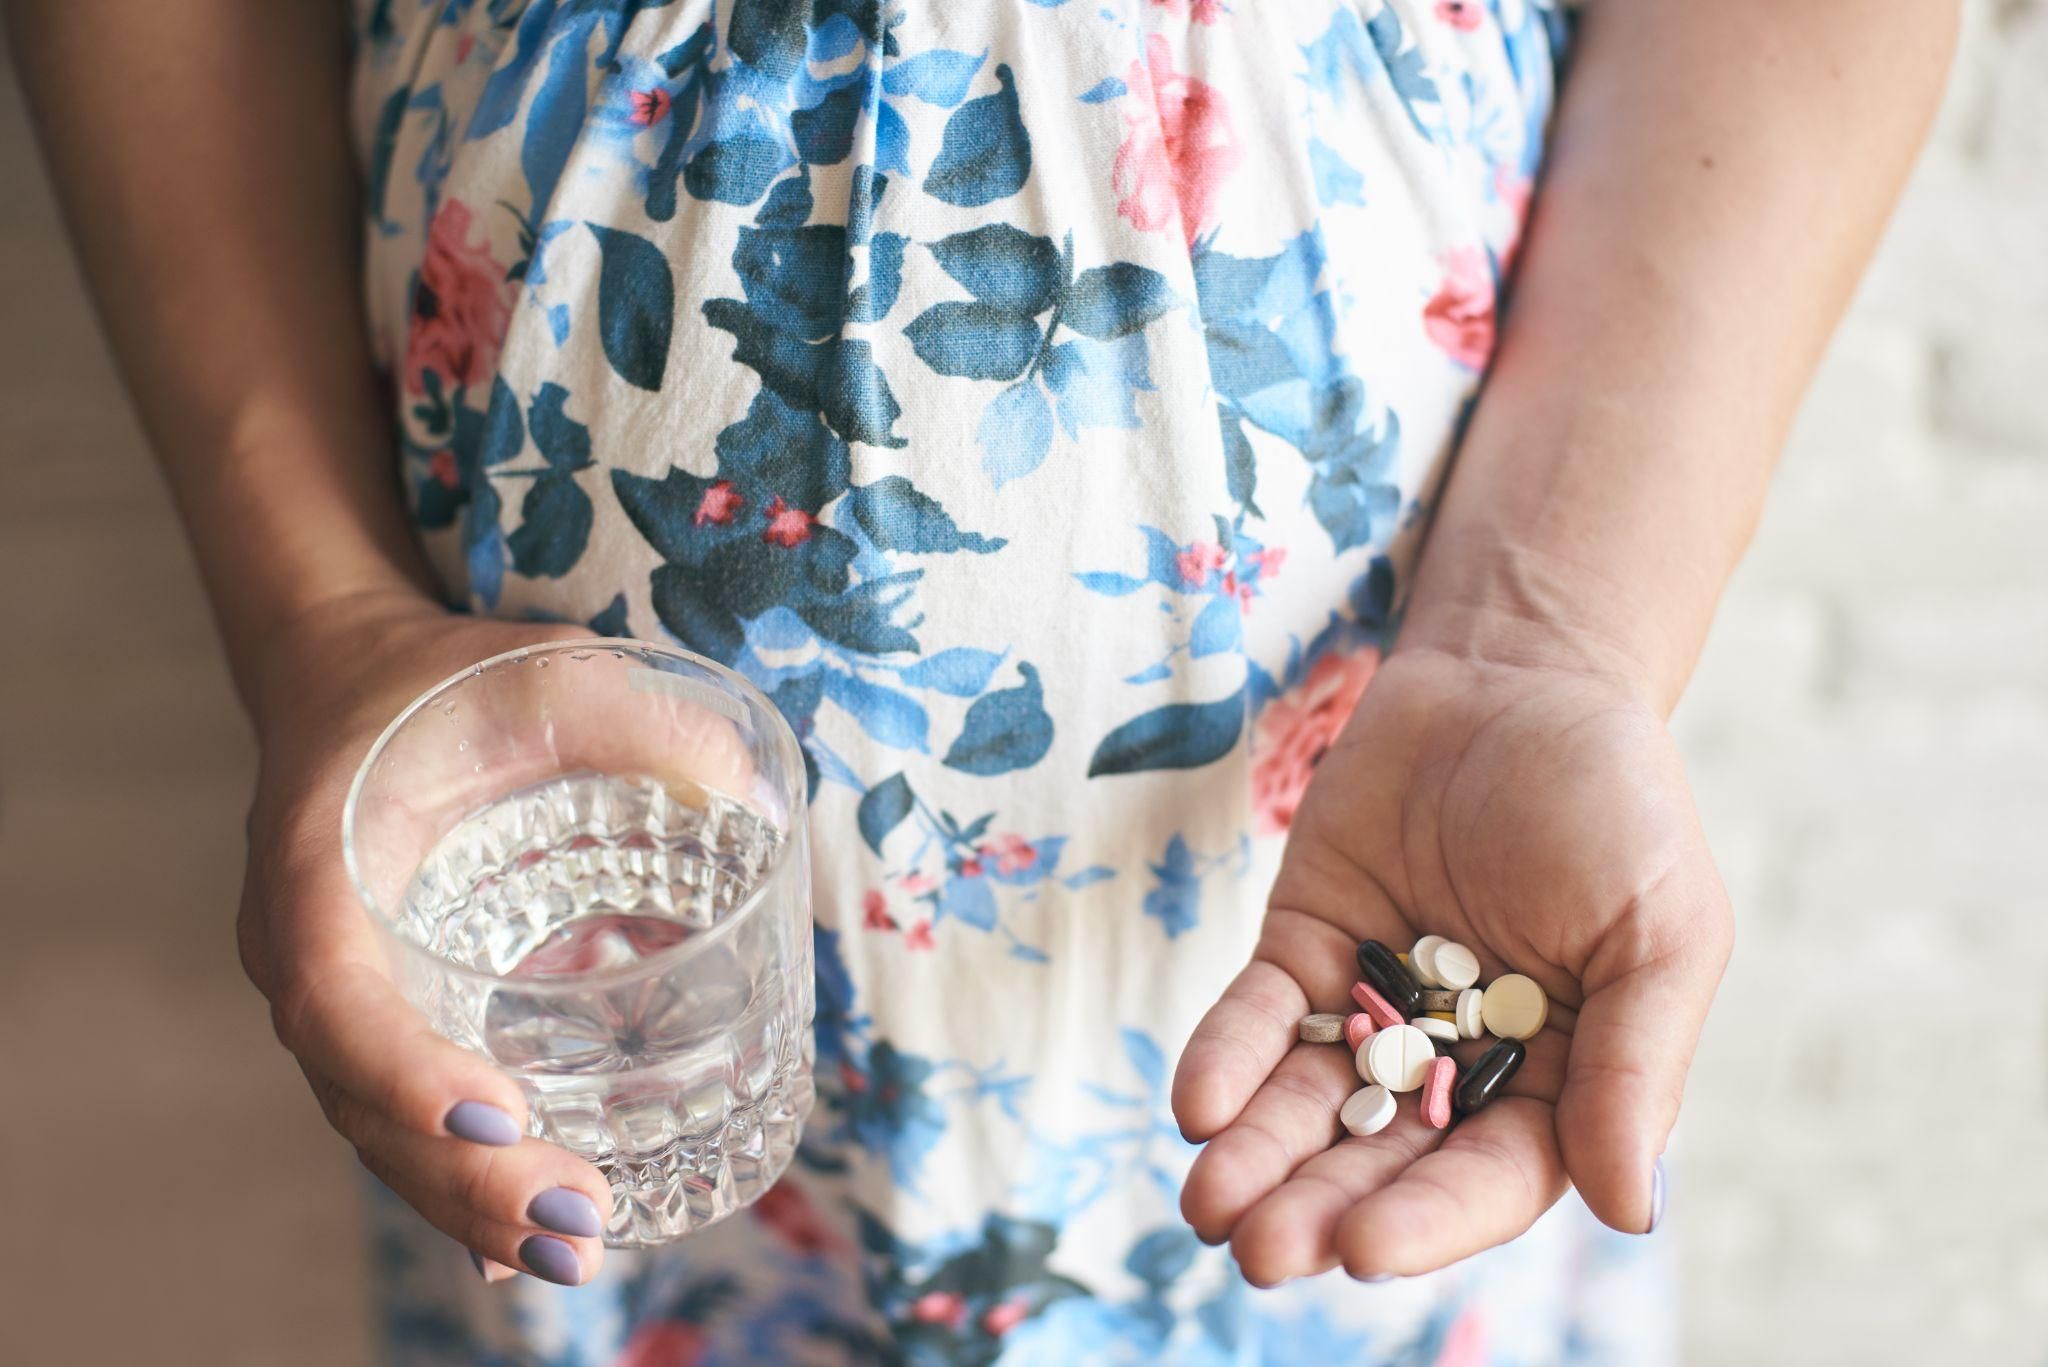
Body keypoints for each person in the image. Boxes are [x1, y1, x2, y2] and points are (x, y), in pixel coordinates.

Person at [9, 0, 1954, 1360]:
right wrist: (323, 625)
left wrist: (1548, 641)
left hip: (1355, 842)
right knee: (569, 1225)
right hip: (567, 923)